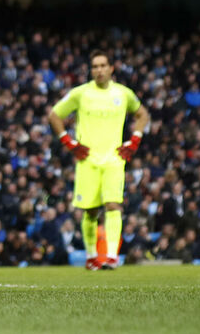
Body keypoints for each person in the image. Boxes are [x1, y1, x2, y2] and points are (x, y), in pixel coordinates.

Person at [47, 50, 151, 270]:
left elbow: (143, 114)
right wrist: (69, 142)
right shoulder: (80, 93)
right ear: (91, 70)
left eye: (103, 65)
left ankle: (112, 257)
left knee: (113, 205)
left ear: (111, 68)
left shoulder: (123, 93)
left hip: (114, 158)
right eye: (95, 66)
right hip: (88, 160)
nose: (99, 70)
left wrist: (134, 140)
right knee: (91, 211)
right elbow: (54, 115)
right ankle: (92, 256)